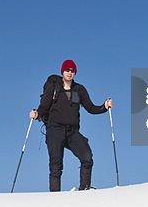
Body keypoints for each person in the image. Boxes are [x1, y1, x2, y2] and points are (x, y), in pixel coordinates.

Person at [29, 59, 113, 191]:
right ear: (62, 71)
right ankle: (55, 198)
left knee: (87, 157)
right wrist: (37, 114)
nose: (69, 73)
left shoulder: (79, 90)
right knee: (56, 166)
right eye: (67, 70)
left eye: (72, 71)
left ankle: (84, 189)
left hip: (72, 132)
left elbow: (90, 108)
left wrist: (104, 107)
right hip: (55, 130)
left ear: (75, 73)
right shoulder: (54, 87)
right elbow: (44, 105)